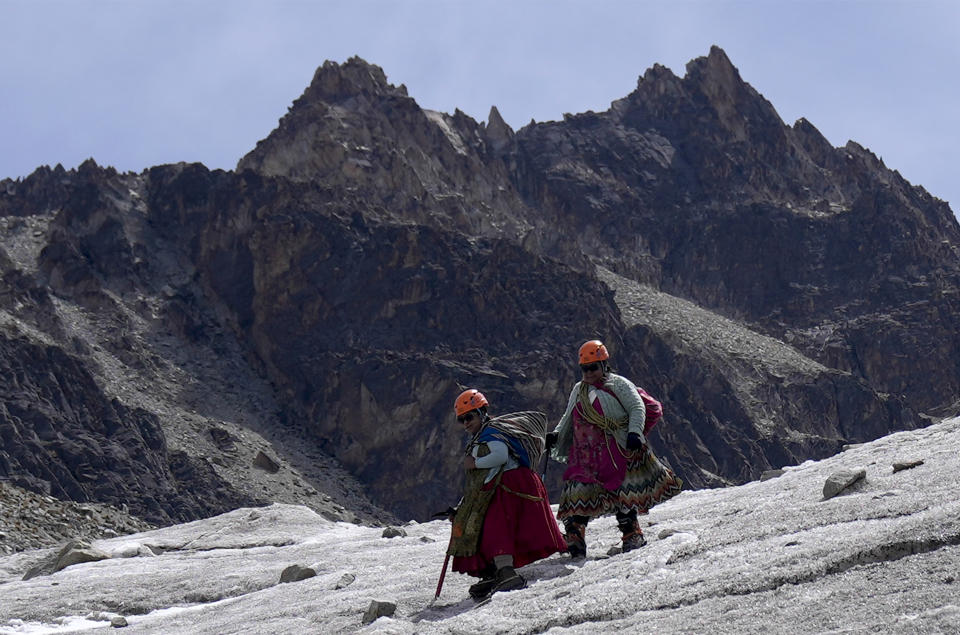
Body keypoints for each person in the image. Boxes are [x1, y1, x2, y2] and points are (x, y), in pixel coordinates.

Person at [547, 340, 683, 558]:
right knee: (579, 493)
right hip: (586, 453)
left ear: (604, 365)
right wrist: (556, 434)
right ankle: (575, 536)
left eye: (593, 367)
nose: (588, 372)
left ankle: (632, 534)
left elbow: (636, 407)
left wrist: (634, 433)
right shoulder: (578, 389)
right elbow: (568, 415)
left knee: (622, 492)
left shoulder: (619, 384)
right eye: (584, 368)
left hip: (616, 449)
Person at [446, 389, 567, 600]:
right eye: (462, 419)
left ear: (482, 413)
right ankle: (495, 570)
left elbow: (500, 457)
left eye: (469, 416)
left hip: (509, 485)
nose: (466, 422)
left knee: (495, 526)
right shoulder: (486, 434)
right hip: (509, 483)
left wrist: (475, 463)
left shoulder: (489, 433)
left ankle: (504, 571)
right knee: (490, 526)